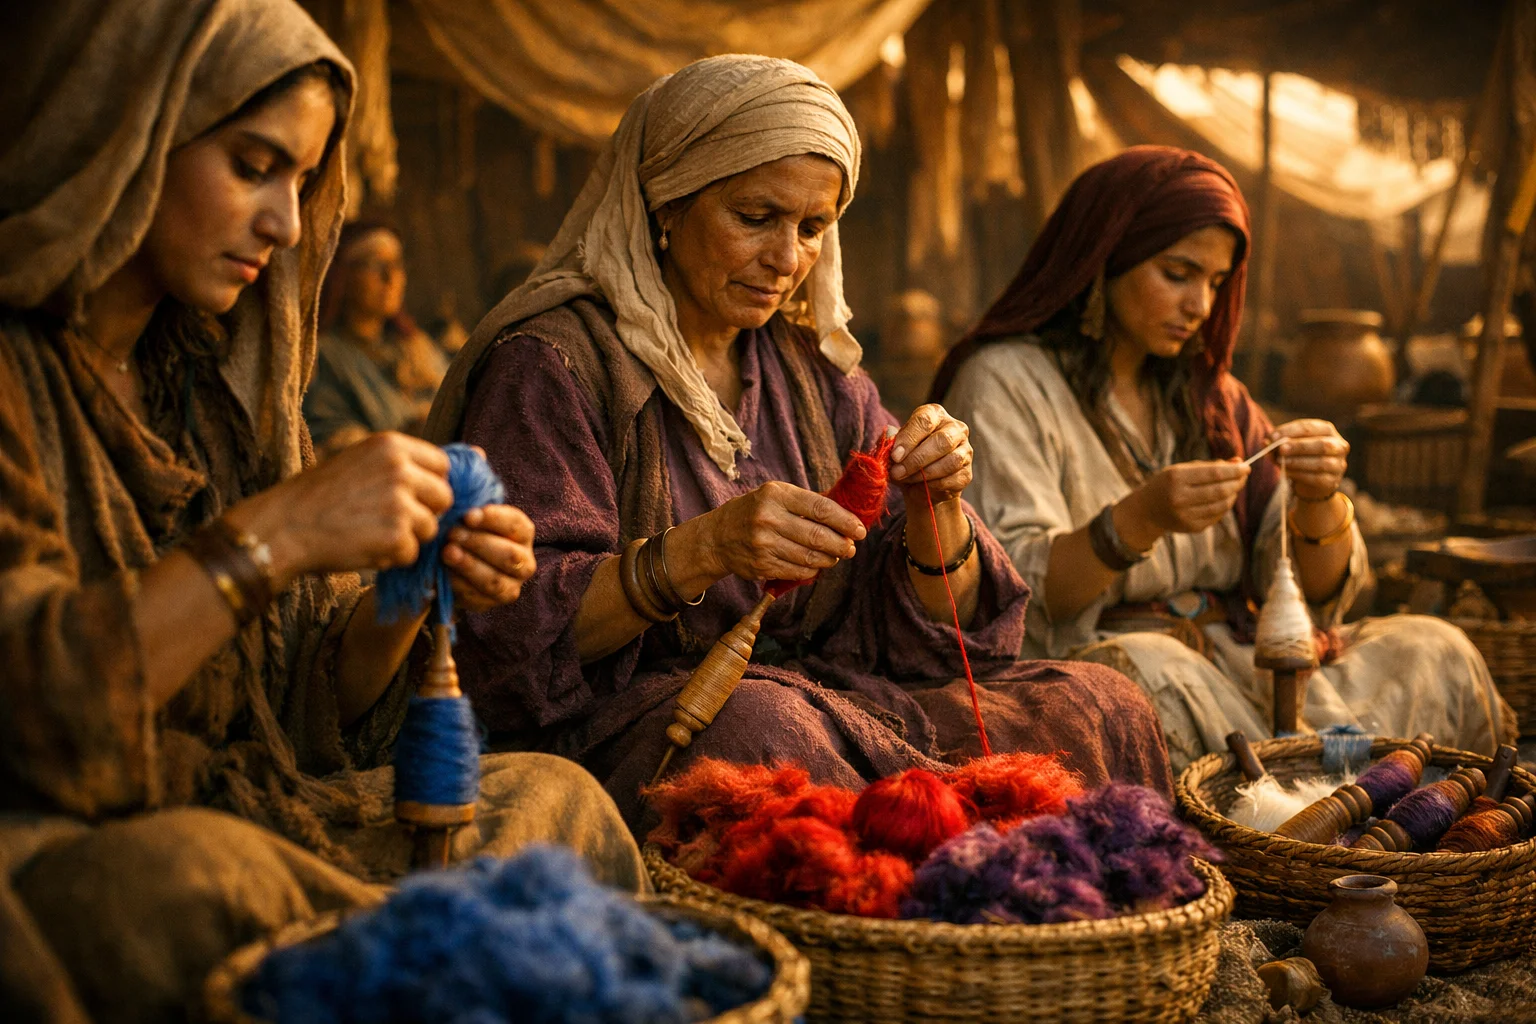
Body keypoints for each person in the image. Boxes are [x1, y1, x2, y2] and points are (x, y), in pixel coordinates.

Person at [0, 3, 643, 1021]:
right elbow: (35, 717)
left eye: (301, 181)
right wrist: (282, 530)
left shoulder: (219, 389)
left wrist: (404, 589)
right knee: (173, 885)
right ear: (122, 137)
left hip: (265, 813)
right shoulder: (13, 377)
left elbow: (310, 716)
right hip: (86, 838)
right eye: (252, 165)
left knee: (561, 803)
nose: (288, 225)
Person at [427, 55, 1173, 830]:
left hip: (829, 702)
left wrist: (935, 509)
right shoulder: (553, 366)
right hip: (639, 725)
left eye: (812, 228)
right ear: (665, 203)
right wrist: (701, 550)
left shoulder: (816, 376)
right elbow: (501, 638)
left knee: (1098, 703)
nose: (787, 260)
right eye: (756, 218)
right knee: (763, 742)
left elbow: (941, 640)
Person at [933, 146, 1509, 773]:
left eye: (1215, 282)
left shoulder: (1210, 399)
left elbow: (1309, 590)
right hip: (1108, 668)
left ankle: (1314, 798)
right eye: (1178, 274)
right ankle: (1310, 803)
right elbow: (1010, 600)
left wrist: (1318, 502)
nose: (1201, 306)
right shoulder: (1005, 383)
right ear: (1102, 261)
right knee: (1145, 682)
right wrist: (1141, 517)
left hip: (1245, 666)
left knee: (1437, 650)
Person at [302, 219, 448, 456]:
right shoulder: (322, 356)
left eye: (397, 264)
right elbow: (328, 438)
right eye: (374, 264)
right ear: (341, 277)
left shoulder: (417, 347)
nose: (390, 277)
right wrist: (408, 435)